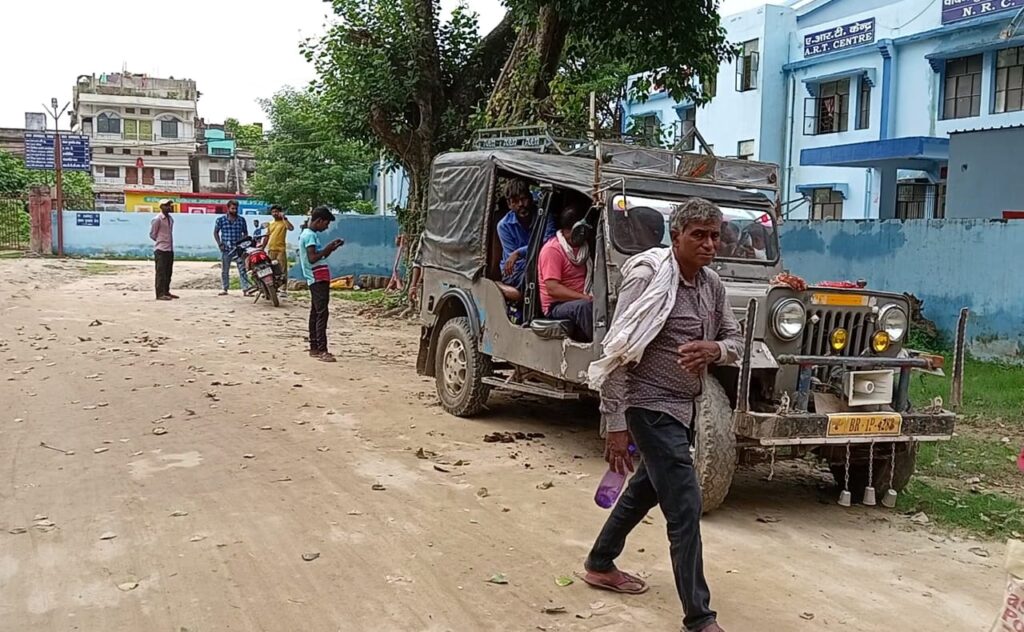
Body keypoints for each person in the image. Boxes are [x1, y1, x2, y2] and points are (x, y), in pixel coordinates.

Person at [583, 197, 742, 632]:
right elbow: (617, 352)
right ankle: (699, 618)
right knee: (686, 505)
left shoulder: (712, 286)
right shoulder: (648, 280)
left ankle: (599, 561)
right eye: (699, 235)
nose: (710, 244)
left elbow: (735, 340)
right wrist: (615, 426)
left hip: (684, 406)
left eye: (715, 235)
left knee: (643, 490)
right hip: (647, 405)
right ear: (676, 237)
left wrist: (715, 350)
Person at [538, 201, 592, 342]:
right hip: (556, 305)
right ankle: (601, 347)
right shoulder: (553, 250)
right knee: (585, 307)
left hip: (581, 296)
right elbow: (553, 289)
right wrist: (584, 297)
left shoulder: (584, 249)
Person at [299, 206, 344, 362]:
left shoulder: (308, 234)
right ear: (319, 221)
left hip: (318, 278)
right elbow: (313, 258)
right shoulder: (310, 236)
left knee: (315, 313)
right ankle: (322, 350)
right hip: (317, 277)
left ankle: (314, 347)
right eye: (326, 224)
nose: (326, 227)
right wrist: (328, 248)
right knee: (321, 314)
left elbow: (319, 255)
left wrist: (330, 248)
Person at [497, 179, 556, 294]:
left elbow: (550, 244)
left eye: (523, 199)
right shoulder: (504, 226)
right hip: (516, 272)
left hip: (544, 264)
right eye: (515, 202)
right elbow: (514, 263)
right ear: (509, 204)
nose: (520, 205)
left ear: (530, 198)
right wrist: (521, 254)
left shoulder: (544, 216)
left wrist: (519, 252)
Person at [214, 200, 253, 296]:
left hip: (238, 249)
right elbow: (216, 232)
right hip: (226, 249)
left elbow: (245, 233)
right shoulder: (221, 220)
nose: (234, 210)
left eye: (236, 208)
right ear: (228, 208)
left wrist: (243, 244)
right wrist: (220, 244)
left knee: (242, 269)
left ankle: (245, 289)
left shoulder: (241, 220)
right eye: (232, 208)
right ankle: (225, 288)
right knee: (225, 270)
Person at [149, 198, 177, 301]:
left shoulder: (170, 219)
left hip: (169, 249)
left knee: (168, 272)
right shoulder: (157, 219)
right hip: (161, 249)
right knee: (160, 272)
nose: (169, 207)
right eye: (166, 205)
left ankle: (166, 291)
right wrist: (160, 240)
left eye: (169, 205)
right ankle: (159, 294)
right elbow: (152, 234)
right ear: (161, 207)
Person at [264, 205, 294, 293]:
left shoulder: (284, 222)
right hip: (271, 249)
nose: (275, 214)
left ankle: (283, 289)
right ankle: (273, 288)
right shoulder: (270, 224)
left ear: (280, 212)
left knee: (282, 269)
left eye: (276, 212)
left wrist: (285, 218)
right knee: (270, 269)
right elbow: (267, 236)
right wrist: (262, 247)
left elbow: (291, 228)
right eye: (273, 212)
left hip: (280, 249)